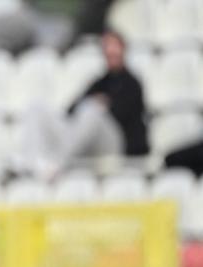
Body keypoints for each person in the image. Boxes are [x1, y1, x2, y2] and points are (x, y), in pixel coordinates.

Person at [16, 30, 149, 180]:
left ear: (123, 49)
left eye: (114, 46)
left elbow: (123, 115)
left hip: (115, 144)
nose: (111, 51)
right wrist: (95, 103)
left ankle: (56, 164)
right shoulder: (99, 82)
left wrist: (103, 105)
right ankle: (33, 164)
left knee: (92, 110)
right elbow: (72, 110)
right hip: (85, 142)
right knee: (36, 107)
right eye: (107, 47)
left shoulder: (132, 83)